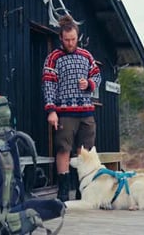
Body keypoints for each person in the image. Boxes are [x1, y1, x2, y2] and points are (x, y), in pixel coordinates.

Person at [41, 14, 101, 202]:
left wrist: (89, 83)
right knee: (63, 149)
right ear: (61, 38)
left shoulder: (87, 56)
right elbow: (48, 85)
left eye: (73, 39)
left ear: (77, 37)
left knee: (85, 151)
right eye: (66, 40)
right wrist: (51, 110)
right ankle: (63, 192)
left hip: (86, 112)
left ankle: (84, 191)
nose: (70, 43)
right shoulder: (53, 58)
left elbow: (98, 77)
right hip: (64, 113)